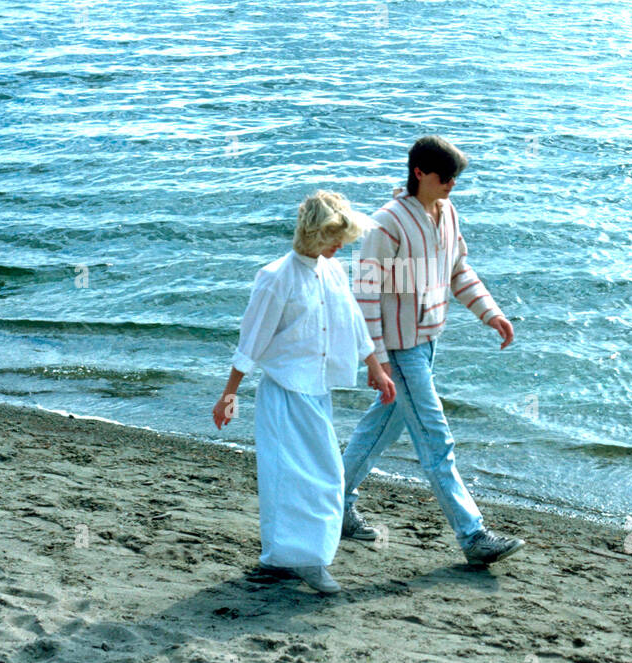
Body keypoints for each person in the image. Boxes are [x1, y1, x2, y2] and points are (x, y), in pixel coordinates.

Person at [343, 135, 525, 566]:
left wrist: (491, 314)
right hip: (399, 350)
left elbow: (458, 271)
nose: (451, 185)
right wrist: (377, 360)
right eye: (445, 177)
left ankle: (333, 506)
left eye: (456, 178)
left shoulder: (447, 213)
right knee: (435, 440)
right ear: (419, 173)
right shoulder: (386, 224)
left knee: (379, 430)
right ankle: (473, 535)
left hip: (428, 343)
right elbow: (365, 296)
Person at [213, 190, 396, 594]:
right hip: (283, 392)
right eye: (335, 238)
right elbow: (252, 340)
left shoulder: (331, 271)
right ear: (315, 234)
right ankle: (296, 560)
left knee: (324, 475)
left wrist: (376, 369)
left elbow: (351, 321)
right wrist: (229, 395)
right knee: (289, 479)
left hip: (316, 392)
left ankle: (290, 558)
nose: (339, 246)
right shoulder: (276, 277)